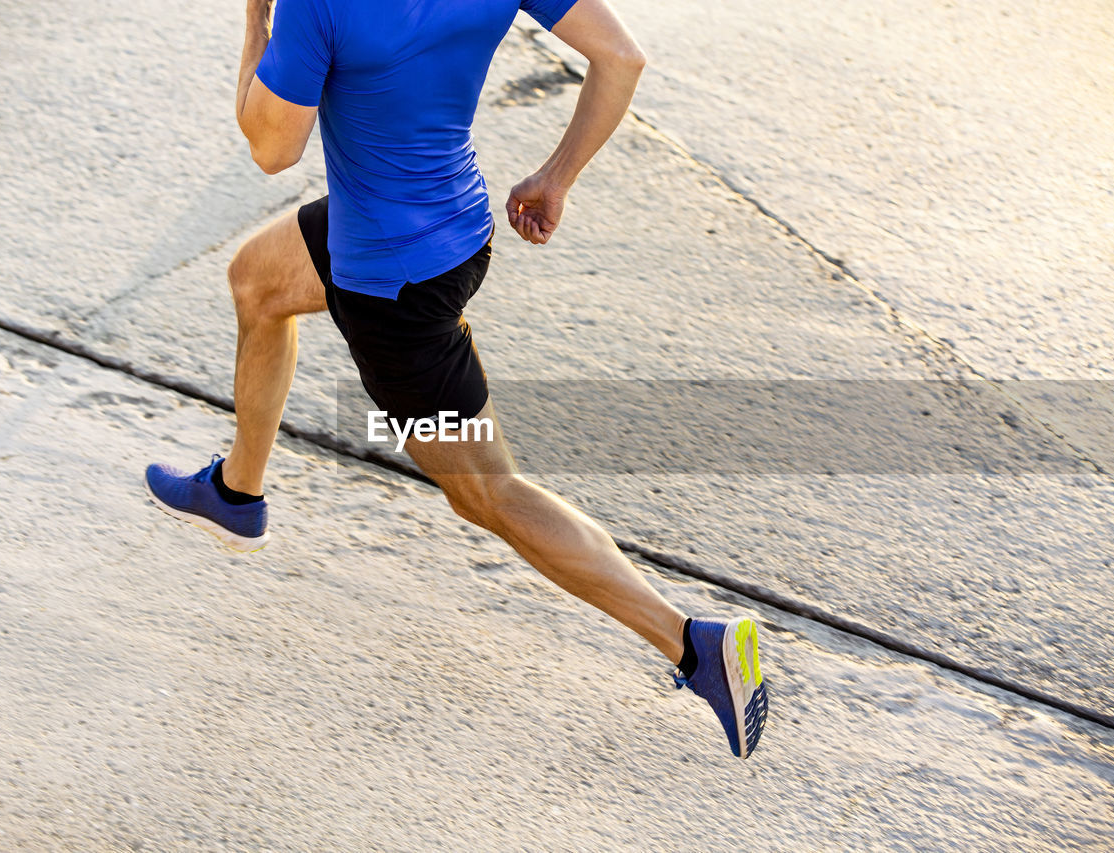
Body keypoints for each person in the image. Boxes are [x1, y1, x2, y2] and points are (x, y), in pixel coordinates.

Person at [145, 0, 767, 759]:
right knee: (258, 282)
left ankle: (694, 645)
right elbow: (621, 57)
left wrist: (255, 25)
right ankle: (237, 493)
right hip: (452, 229)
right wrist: (555, 177)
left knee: (488, 492)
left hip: (387, 288)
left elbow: (271, 149)